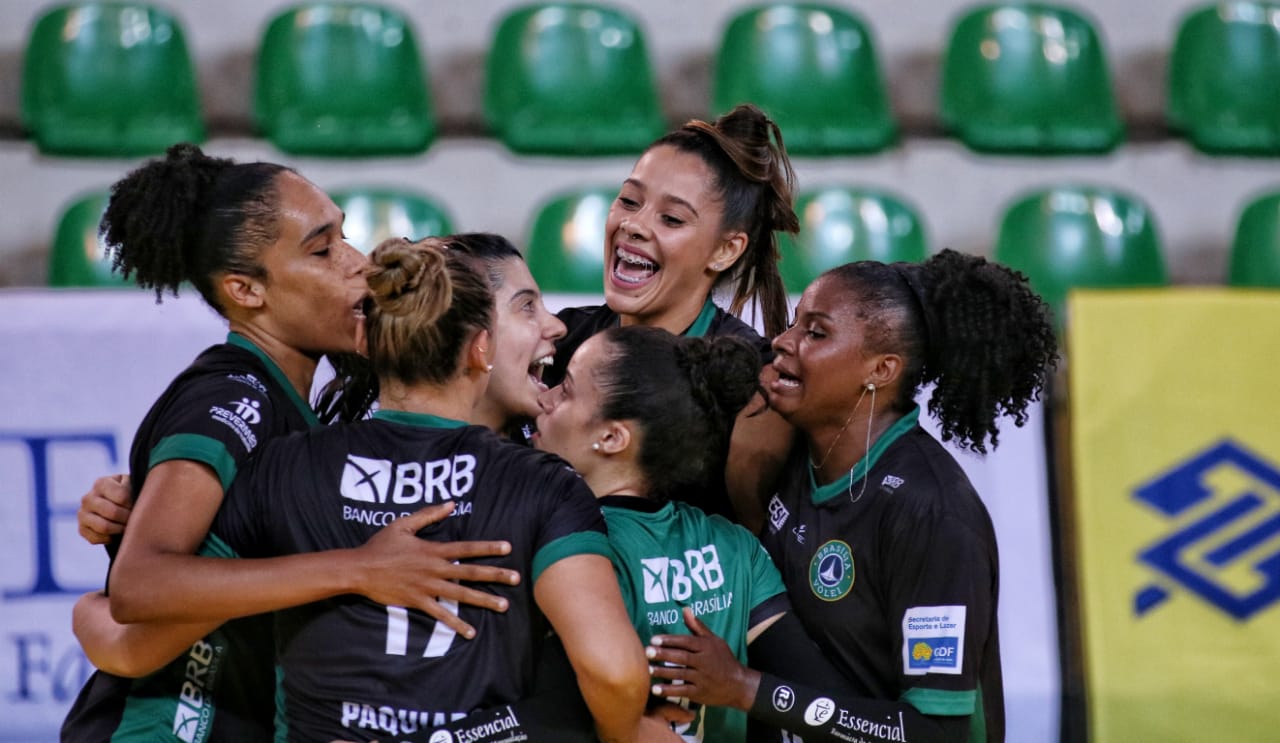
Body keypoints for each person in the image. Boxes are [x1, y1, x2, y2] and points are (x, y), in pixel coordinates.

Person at [62, 145, 515, 742]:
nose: (357, 264)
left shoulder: (293, 408)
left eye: (345, 238)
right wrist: (356, 569)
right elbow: (141, 585)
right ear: (246, 290)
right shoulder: (233, 399)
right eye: (323, 250)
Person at [208, 238, 650, 742]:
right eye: (526, 307)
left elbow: (169, 598)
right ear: (481, 349)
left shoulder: (281, 465)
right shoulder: (545, 484)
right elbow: (615, 674)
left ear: (368, 341)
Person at [646, 251, 1059, 743]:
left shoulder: (932, 512)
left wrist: (744, 687)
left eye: (815, 333)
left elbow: (936, 735)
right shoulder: (791, 454)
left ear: (881, 370)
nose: (783, 342)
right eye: (796, 323)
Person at [535, 326, 809, 742]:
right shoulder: (735, 546)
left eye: (566, 390)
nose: (545, 397)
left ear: (611, 437)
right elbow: (813, 699)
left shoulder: (576, 550)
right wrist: (740, 684)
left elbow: (546, 717)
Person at [540, 103, 800, 530]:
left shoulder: (755, 387)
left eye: (671, 218)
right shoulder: (558, 340)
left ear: (725, 250)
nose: (634, 225)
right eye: (628, 201)